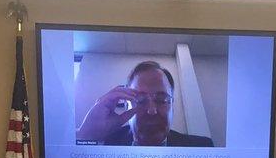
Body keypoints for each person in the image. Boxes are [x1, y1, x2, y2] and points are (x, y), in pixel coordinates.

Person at [75, 61, 214, 148]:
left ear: (172, 105)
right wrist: (85, 136)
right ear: (126, 105)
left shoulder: (201, 148)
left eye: (161, 100)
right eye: (140, 100)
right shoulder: (104, 143)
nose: (152, 111)